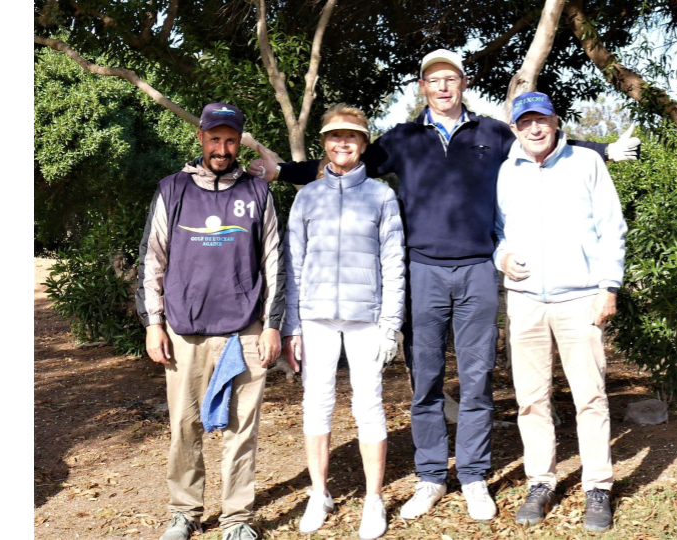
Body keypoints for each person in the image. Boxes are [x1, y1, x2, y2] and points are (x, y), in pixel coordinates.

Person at [250, 49, 639, 522]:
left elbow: (541, 138)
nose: (442, 87)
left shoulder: (493, 133)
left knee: (476, 380)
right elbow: (346, 158)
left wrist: (603, 150)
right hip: (422, 271)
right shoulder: (404, 137)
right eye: (433, 80)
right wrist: (282, 172)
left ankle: (473, 476)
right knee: (426, 381)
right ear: (423, 87)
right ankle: (431, 476)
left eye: (450, 78)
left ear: (463, 83)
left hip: (477, 270)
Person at [136, 102, 284, 540]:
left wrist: (272, 324)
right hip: (186, 331)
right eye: (214, 138)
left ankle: (237, 518)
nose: (222, 148)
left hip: (246, 330)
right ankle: (185, 512)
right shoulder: (173, 189)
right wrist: (153, 323)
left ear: (240, 143)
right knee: (185, 427)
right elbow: (152, 259)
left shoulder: (257, 193)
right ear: (200, 138)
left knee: (242, 431)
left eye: (230, 140)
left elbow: (275, 261)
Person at [493, 91, 627, 532]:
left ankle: (598, 487)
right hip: (525, 300)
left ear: (555, 122)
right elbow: (497, 231)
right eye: (525, 122)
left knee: (590, 396)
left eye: (541, 120)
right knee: (531, 399)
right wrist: (501, 257)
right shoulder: (506, 172)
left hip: (580, 298)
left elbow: (611, 227)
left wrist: (608, 288)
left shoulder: (586, 163)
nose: (534, 128)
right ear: (514, 128)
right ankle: (540, 481)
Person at [281, 104, 405, 539]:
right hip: (315, 318)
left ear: (364, 144)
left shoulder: (381, 196)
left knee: (368, 405)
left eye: (352, 136)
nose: (343, 143)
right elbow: (293, 264)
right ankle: (319, 494)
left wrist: (391, 324)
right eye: (335, 136)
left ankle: (373, 499)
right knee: (317, 404)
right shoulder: (307, 197)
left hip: (365, 318)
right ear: (325, 143)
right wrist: (292, 325)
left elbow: (393, 263)